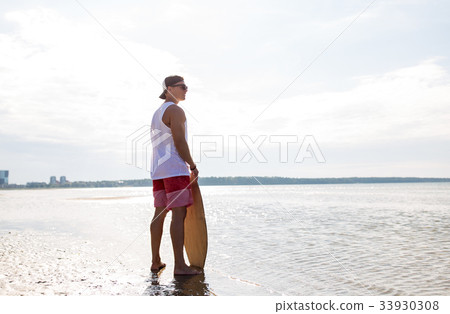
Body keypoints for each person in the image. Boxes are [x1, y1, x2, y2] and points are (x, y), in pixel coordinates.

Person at [149, 75, 201, 276]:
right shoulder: (175, 110)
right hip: (174, 169)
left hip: (158, 170)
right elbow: (180, 141)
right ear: (170, 88)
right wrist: (192, 165)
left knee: (159, 214)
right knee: (179, 214)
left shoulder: (157, 112)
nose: (186, 90)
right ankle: (180, 266)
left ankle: (156, 261)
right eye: (183, 86)